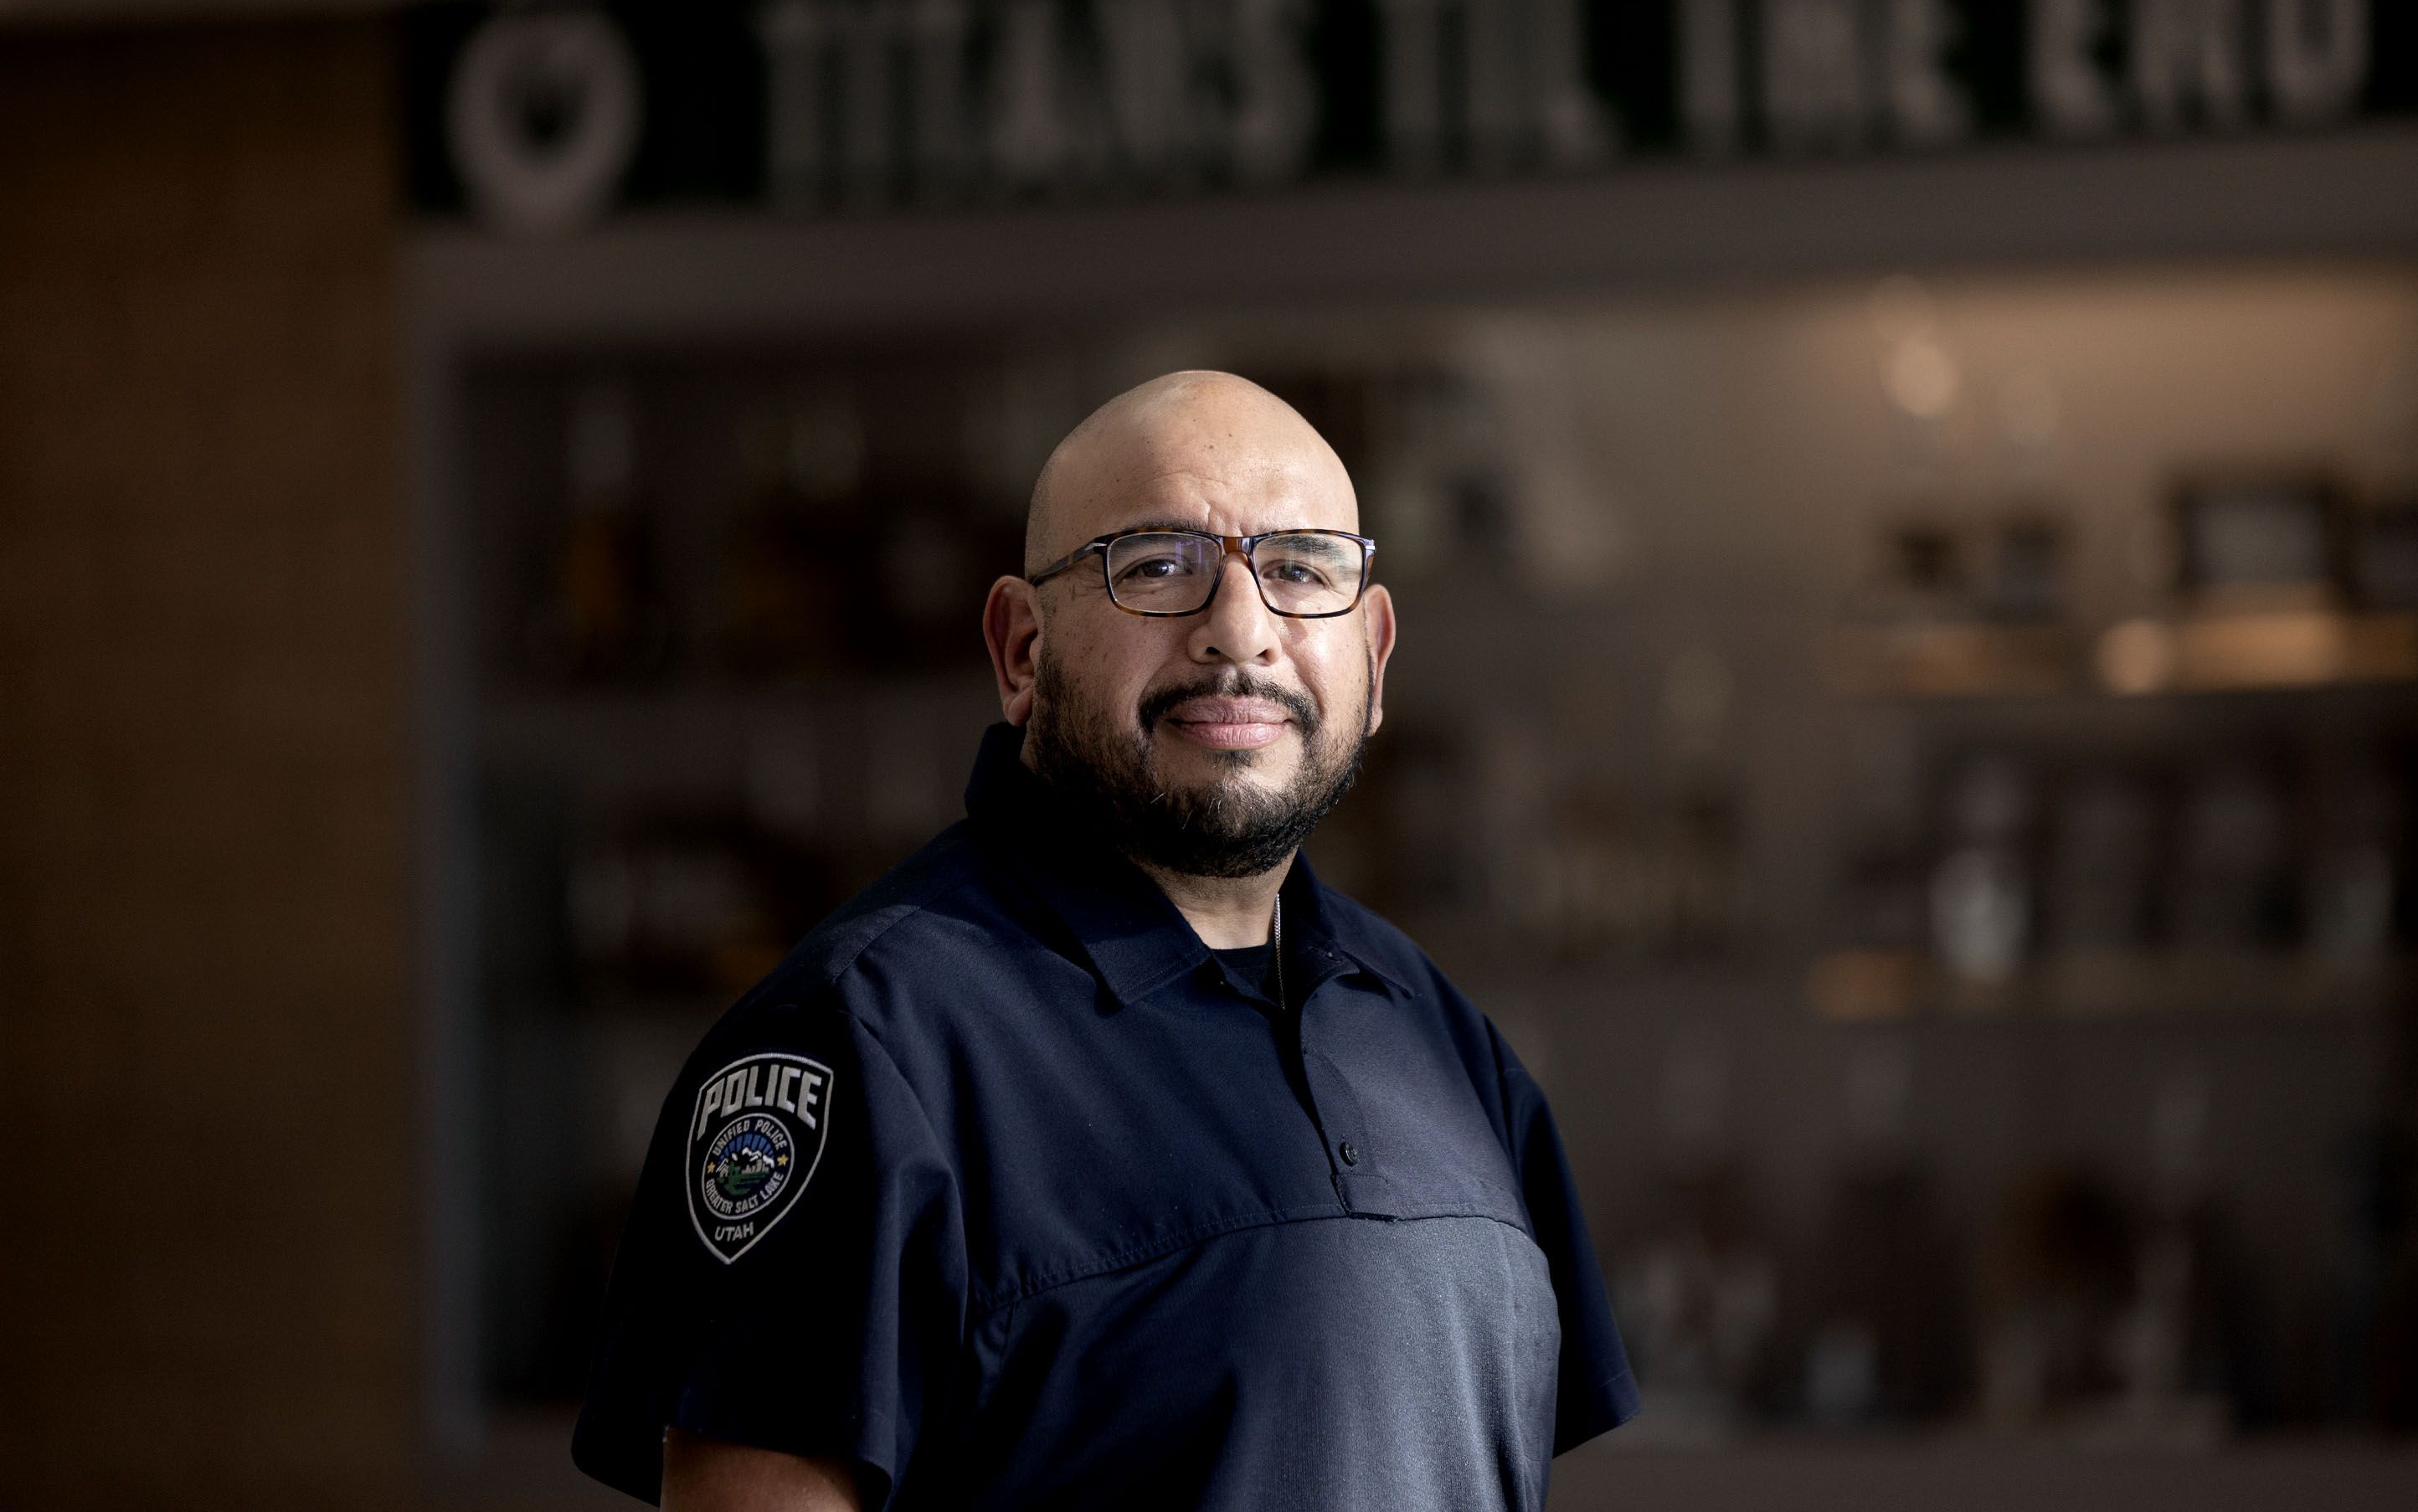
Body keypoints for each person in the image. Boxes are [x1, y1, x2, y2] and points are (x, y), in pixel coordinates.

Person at [573, 371, 1638, 1509]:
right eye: (1159, 565)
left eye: (1301, 568)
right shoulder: (859, 1049)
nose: (1241, 631)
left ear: (1373, 656)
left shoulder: (1441, 1037)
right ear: (1022, 651)